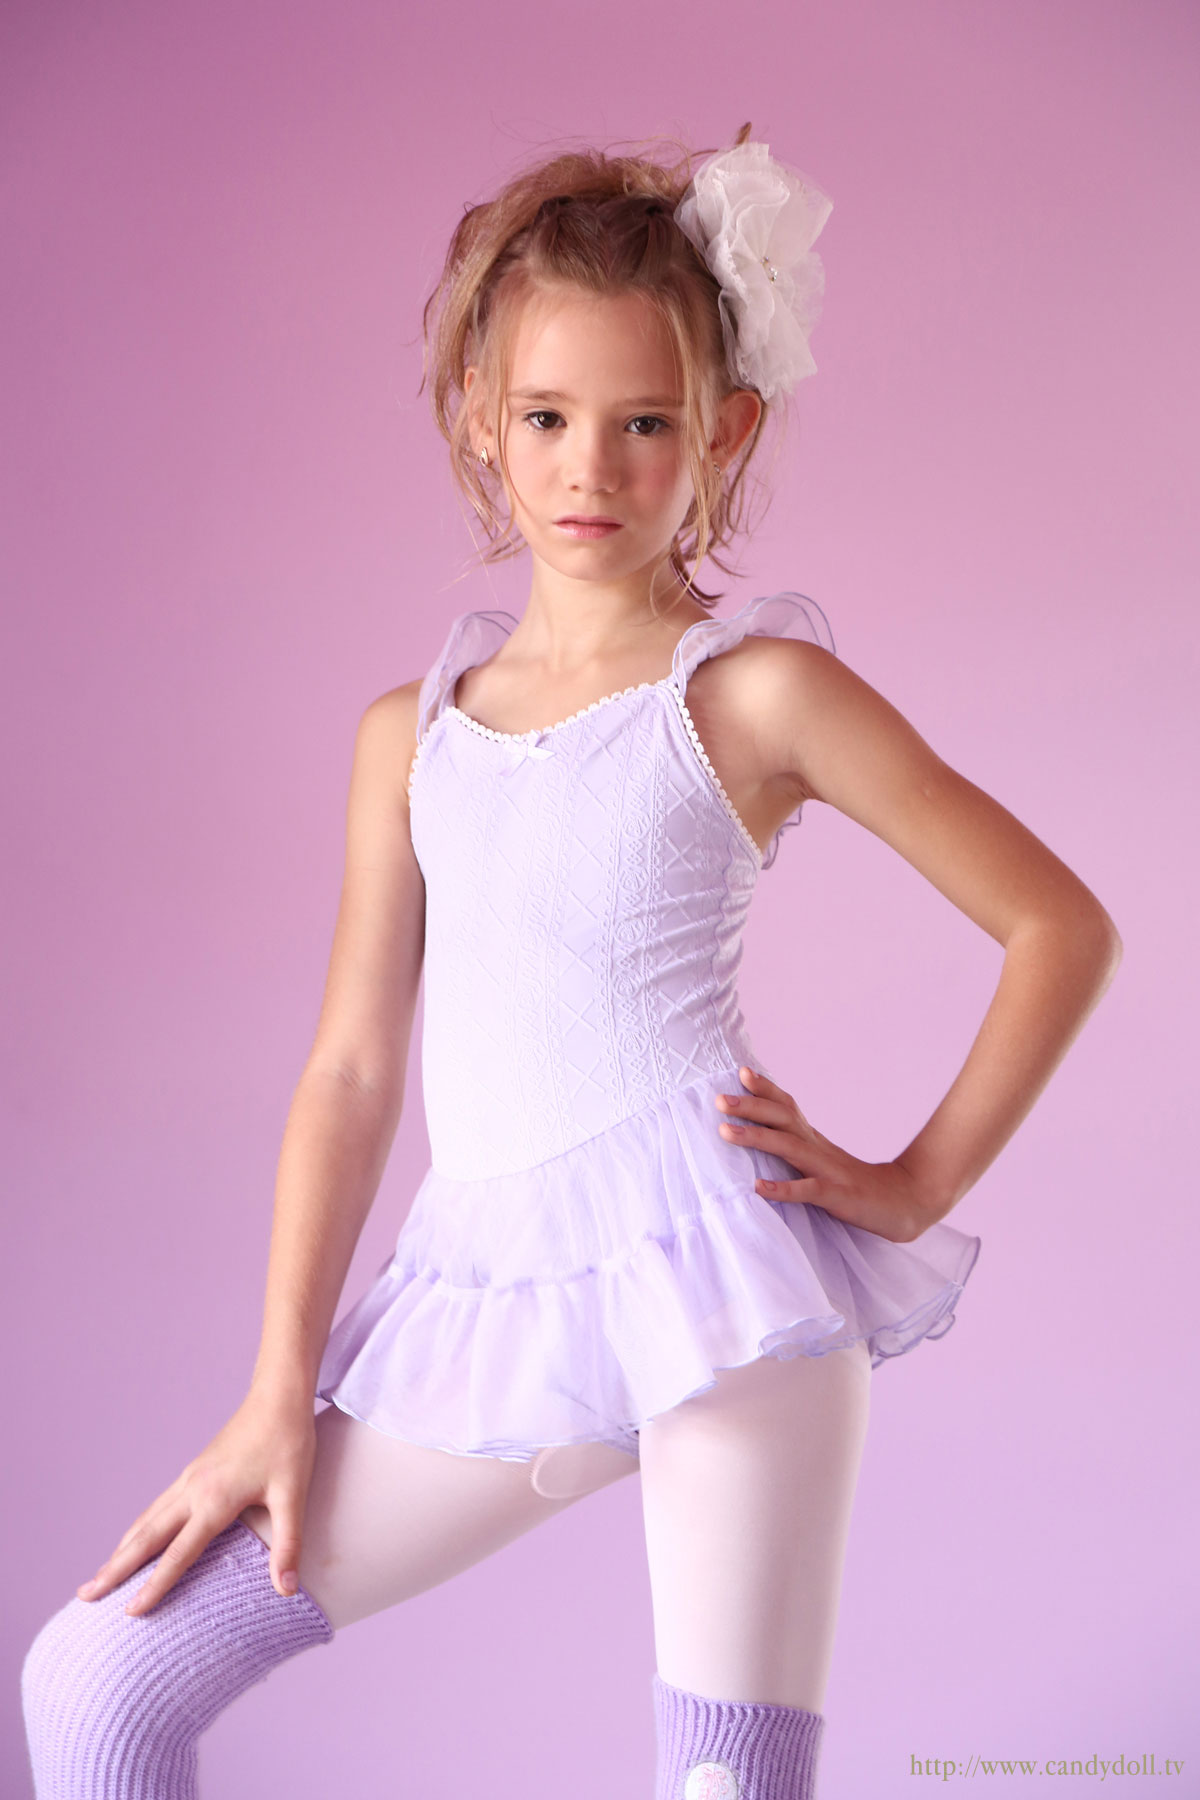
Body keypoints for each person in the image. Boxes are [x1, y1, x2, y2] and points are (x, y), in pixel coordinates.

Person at [21, 123, 1121, 1800]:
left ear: (723, 431)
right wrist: (273, 1392)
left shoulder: (751, 698)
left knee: (722, 1786)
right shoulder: (408, 740)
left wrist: (911, 1188)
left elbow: (1060, 924)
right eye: (545, 417)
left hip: (727, 1290)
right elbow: (352, 1072)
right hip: (493, 1289)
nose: (588, 467)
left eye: (643, 423)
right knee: (99, 1683)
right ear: (481, 414)